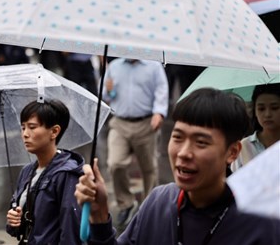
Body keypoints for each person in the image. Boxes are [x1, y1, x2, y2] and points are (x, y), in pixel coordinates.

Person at [74, 88, 280, 244]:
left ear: (232, 152)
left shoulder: (261, 224)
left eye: (201, 142)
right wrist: (99, 217)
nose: (183, 153)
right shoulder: (158, 201)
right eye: (178, 137)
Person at [6, 99, 85, 244]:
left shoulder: (66, 174)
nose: (25, 134)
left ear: (54, 131)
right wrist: (14, 220)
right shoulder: (27, 171)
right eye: (23, 127)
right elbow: (19, 228)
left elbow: (71, 230)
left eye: (32, 127)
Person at [102, 58, 168, 228]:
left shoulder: (153, 66)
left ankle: (149, 208)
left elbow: (162, 89)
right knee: (115, 164)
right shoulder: (114, 66)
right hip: (119, 123)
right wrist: (109, 91)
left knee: (149, 168)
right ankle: (126, 203)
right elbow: (106, 95)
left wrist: (159, 112)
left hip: (146, 123)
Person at [231, 83, 280, 171]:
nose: (267, 114)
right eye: (261, 109)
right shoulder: (244, 146)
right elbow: (236, 181)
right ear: (255, 111)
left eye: (274, 108)